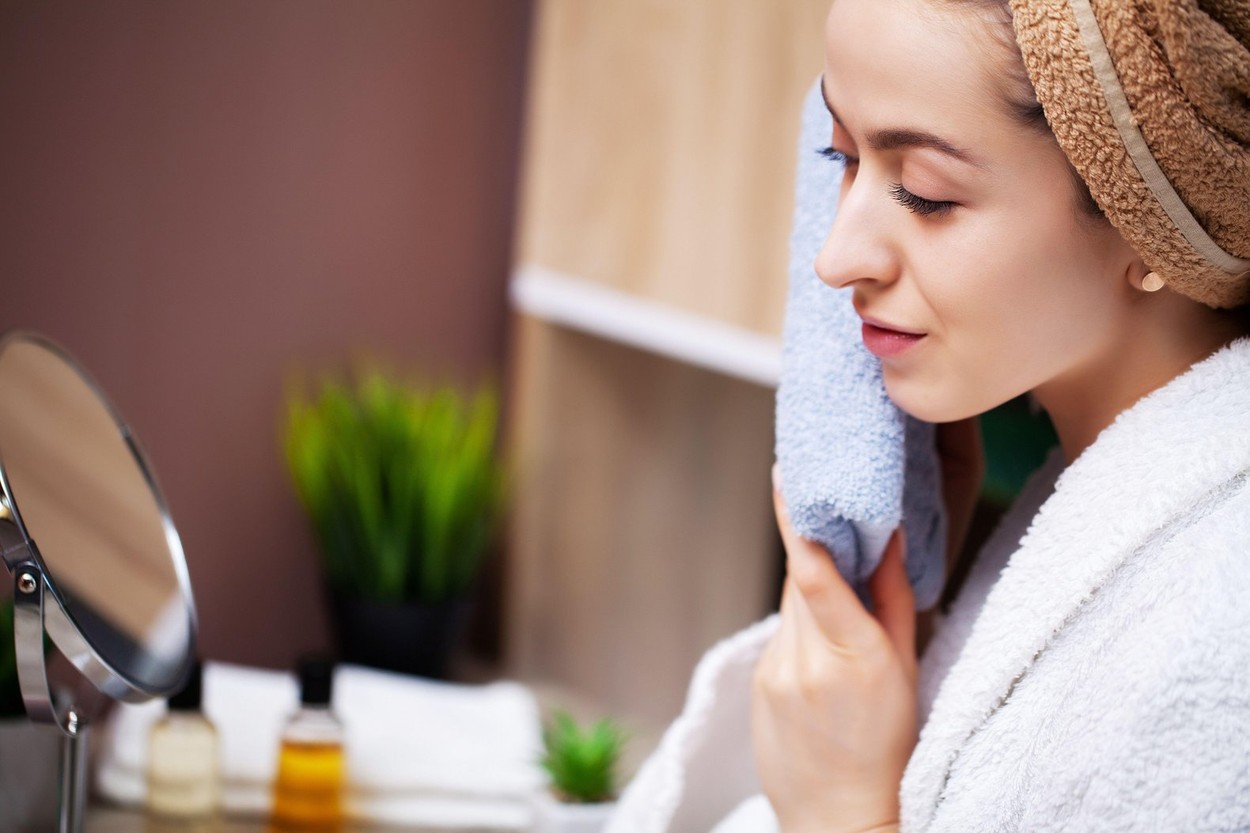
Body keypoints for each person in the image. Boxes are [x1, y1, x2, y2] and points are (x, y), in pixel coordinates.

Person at [605, 0, 1250, 831]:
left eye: (924, 193)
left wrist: (845, 815)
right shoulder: (1105, 526)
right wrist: (916, 660)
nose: (835, 257)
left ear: (1149, 222)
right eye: (839, 157)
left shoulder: (1220, 617)